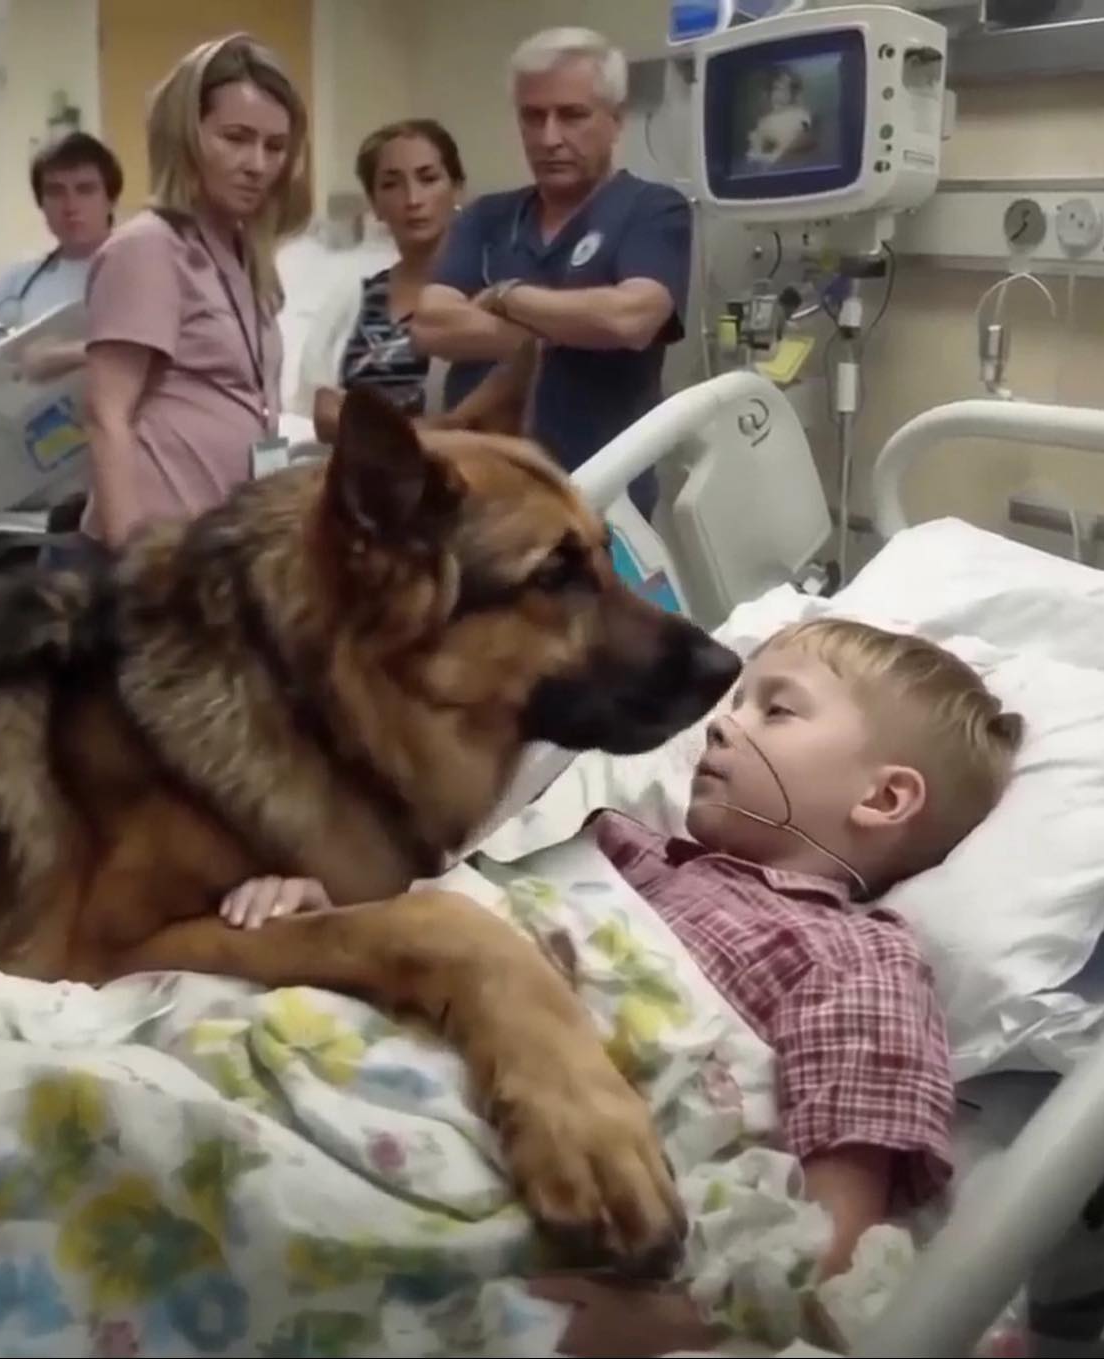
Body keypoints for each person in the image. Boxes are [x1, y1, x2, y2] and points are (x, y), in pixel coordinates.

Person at [524, 617, 1025, 1357]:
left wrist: (674, 1327)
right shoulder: (622, 847)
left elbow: (832, 1232)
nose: (723, 725)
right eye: (736, 701)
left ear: (884, 798)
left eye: (776, 709)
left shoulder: (856, 955)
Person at [411, 27, 692, 512]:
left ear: (615, 120)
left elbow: (630, 320)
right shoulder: (486, 216)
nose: (550, 138)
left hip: (604, 501)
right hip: (484, 502)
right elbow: (432, 325)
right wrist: (564, 328)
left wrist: (507, 296)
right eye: (532, 117)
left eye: (572, 116)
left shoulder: (652, 209)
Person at [77, 32, 310, 557]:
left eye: (275, 147)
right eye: (236, 137)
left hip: (215, 547)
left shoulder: (245, 250)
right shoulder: (150, 246)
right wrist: (131, 560)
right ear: (186, 135)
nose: (258, 163)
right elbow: (105, 414)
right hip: (153, 554)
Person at [296, 119, 466, 442]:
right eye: (391, 184)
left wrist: (363, 428)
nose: (413, 199)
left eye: (428, 179)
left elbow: (473, 420)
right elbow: (323, 415)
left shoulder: (481, 294)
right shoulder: (353, 299)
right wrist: (418, 432)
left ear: (456, 188)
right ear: (374, 203)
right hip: (356, 479)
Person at [0, 132, 123, 376]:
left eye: (85, 190)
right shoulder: (22, 277)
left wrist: (5, 353)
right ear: (41, 203)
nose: (70, 206)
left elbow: (133, 351)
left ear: (110, 199)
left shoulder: (135, 269)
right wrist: (9, 353)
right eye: (55, 192)